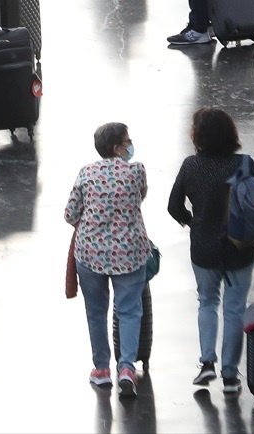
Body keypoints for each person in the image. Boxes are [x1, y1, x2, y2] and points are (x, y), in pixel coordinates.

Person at [167, 107, 254, 397]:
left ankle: (207, 361)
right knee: (234, 309)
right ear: (231, 134)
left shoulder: (190, 166)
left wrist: (193, 222)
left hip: (204, 250)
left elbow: (173, 206)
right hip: (240, 248)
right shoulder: (244, 164)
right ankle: (231, 377)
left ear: (197, 135)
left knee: (207, 302)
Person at [64, 121, 150, 396]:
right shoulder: (136, 170)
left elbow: (70, 214)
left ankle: (101, 370)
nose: (130, 145)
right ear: (116, 147)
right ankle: (127, 368)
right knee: (129, 310)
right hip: (130, 252)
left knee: (96, 312)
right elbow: (140, 197)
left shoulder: (86, 173)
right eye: (127, 141)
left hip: (90, 252)